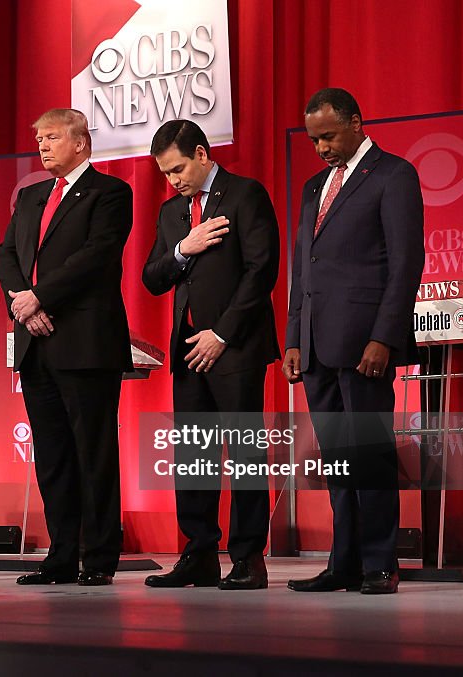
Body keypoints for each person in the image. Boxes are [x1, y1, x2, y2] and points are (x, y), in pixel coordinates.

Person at [283, 88, 424, 595]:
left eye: (329, 135)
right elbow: (304, 267)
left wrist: (384, 336)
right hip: (316, 344)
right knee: (338, 460)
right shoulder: (313, 186)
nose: (320, 147)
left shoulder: (393, 174)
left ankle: (380, 563)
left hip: (365, 343)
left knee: (370, 455)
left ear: (357, 122)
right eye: (313, 138)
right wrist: (294, 336)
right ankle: (343, 563)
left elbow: (406, 263)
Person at [0, 108, 132, 586]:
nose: (43, 145)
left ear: (81, 142)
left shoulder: (110, 192)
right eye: (38, 138)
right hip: (35, 339)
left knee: (92, 451)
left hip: (85, 340)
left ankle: (98, 557)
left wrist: (42, 295)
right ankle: (59, 556)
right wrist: (23, 304)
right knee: (52, 454)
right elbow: (7, 253)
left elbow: (96, 256)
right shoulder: (31, 196)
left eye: (51, 137)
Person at [141, 120, 280, 590]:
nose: (173, 180)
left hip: (234, 345)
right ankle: (199, 553)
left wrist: (221, 332)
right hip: (189, 349)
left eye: (178, 168)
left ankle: (247, 558)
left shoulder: (245, 195)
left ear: (202, 154)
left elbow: (262, 271)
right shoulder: (170, 213)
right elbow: (153, 277)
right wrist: (183, 248)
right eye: (164, 173)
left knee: (244, 455)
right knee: (193, 456)